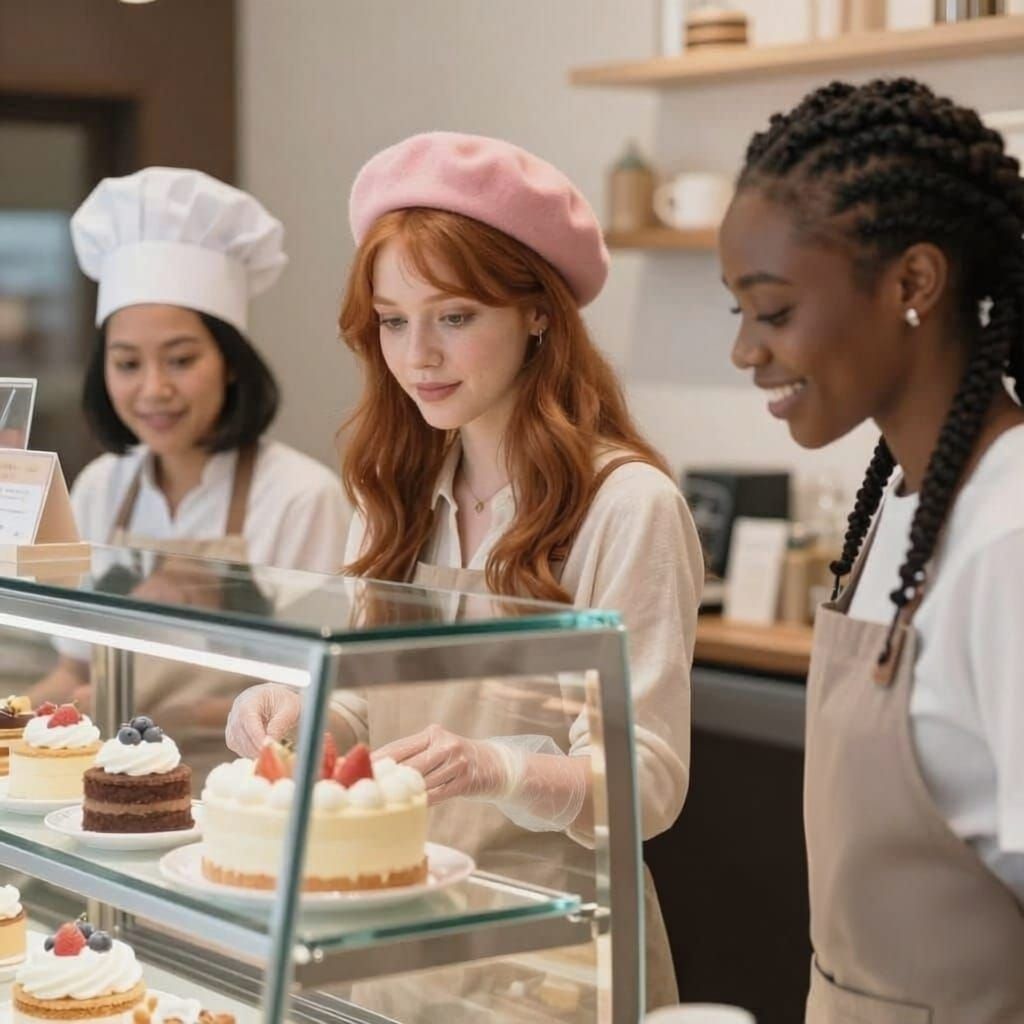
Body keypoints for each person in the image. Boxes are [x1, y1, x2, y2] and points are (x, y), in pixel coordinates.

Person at [226, 132, 703, 1011]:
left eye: (454, 317)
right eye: (393, 321)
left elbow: (651, 784)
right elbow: (375, 701)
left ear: (538, 312)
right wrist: (302, 711)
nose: (418, 358)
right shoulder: (392, 495)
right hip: (395, 929)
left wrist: (499, 770)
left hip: (555, 950)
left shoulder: (628, 505)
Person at [719, 78, 1024, 1022]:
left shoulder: (1009, 538)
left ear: (913, 284)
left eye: (771, 312)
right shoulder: (898, 502)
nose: (746, 352)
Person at [31, 167, 350, 776]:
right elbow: (75, 668)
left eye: (180, 360)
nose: (154, 389)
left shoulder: (301, 497)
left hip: (246, 783)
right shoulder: (101, 485)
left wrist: (149, 712)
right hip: (110, 779)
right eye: (127, 363)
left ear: (230, 363)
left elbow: (323, 691)